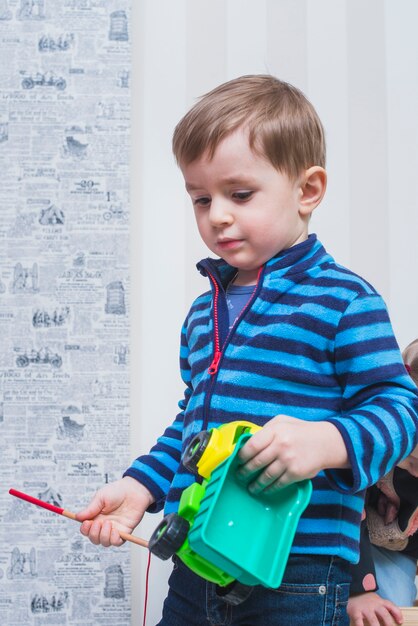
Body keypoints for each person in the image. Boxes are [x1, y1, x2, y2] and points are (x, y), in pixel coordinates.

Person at [76, 75, 418, 626]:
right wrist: (140, 486)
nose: (217, 216)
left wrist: (327, 440)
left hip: (299, 577)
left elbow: (402, 410)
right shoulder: (200, 315)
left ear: (307, 191)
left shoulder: (344, 301)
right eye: (201, 198)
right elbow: (194, 426)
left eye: (239, 194)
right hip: (195, 568)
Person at [348, 339, 418, 626]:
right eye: (414, 462)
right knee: (386, 609)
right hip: (361, 536)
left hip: (407, 541)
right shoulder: (375, 435)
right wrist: (361, 590)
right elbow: (348, 505)